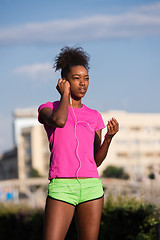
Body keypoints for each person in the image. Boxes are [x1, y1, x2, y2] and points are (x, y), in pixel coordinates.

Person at [38, 46, 119, 240]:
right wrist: (64, 95)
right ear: (64, 81)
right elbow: (60, 121)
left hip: (91, 186)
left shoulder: (94, 116)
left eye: (86, 78)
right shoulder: (48, 109)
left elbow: (96, 161)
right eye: (76, 78)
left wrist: (108, 138)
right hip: (62, 187)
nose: (83, 83)